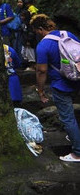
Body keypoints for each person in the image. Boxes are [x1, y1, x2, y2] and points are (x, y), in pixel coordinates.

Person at [31, 14, 80, 162]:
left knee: (68, 118)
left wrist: (40, 90)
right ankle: (75, 137)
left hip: (61, 85)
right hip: (78, 79)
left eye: (35, 31)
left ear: (40, 29)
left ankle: (77, 152)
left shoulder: (43, 46)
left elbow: (41, 71)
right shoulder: (68, 34)